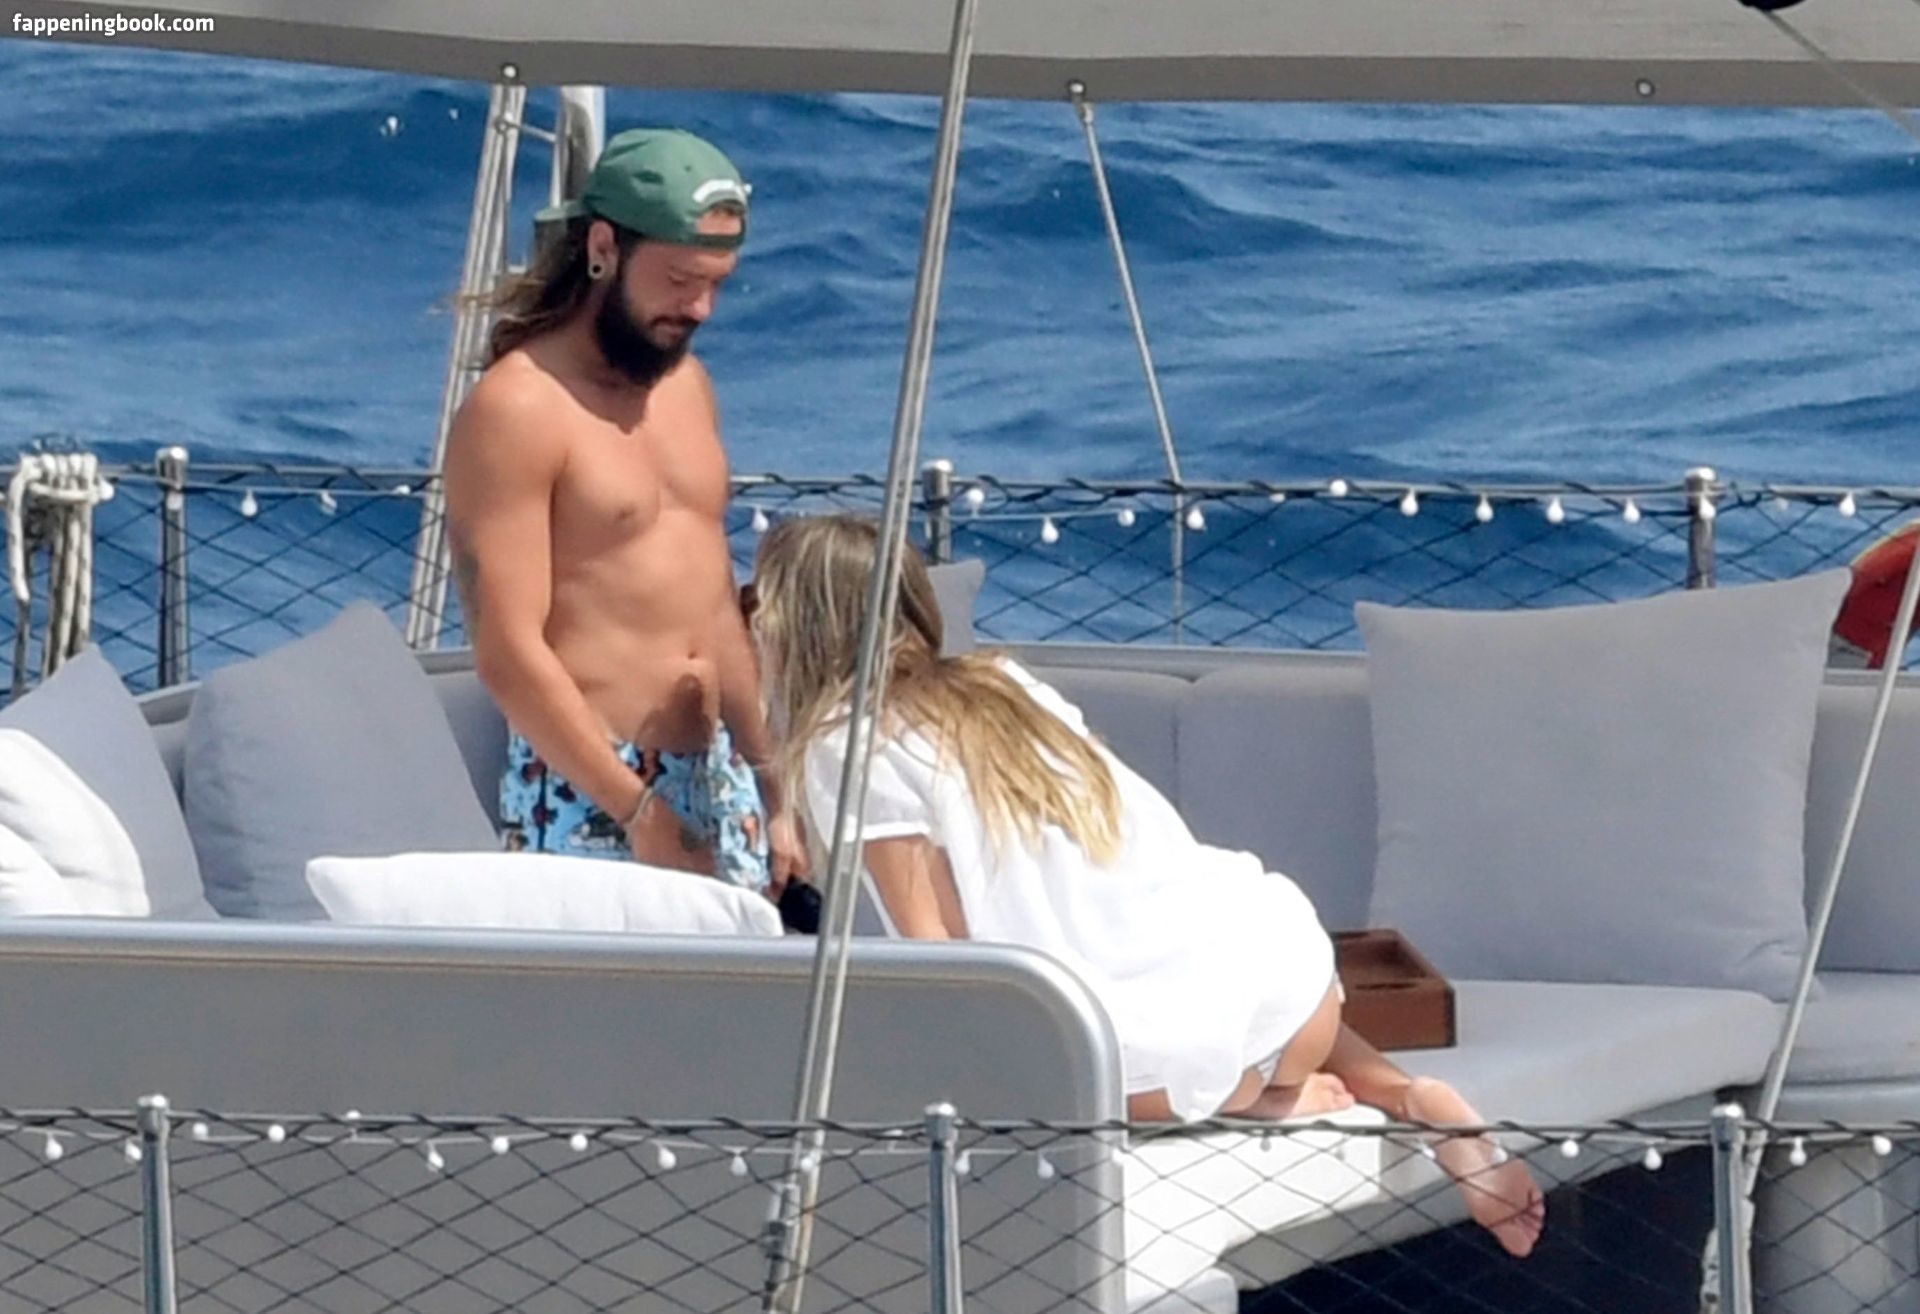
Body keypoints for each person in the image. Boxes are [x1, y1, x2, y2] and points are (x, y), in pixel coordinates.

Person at [748, 514, 1545, 1259]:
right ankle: (1406, 1095)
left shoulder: (845, 745)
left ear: (804, 627)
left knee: (1055, 1067)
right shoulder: (1004, 685)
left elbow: (944, 964)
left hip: (1170, 1064)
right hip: (1285, 967)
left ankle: (1257, 1097)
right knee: (1205, 982)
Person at [443, 127, 804, 897]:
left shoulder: (687, 387)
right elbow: (507, 650)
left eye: (717, 284)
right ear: (604, 247)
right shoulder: (519, 408)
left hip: (716, 781)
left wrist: (773, 782)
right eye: (679, 279)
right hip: (590, 794)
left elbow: (712, 602)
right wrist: (637, 812)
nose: (700, 307)